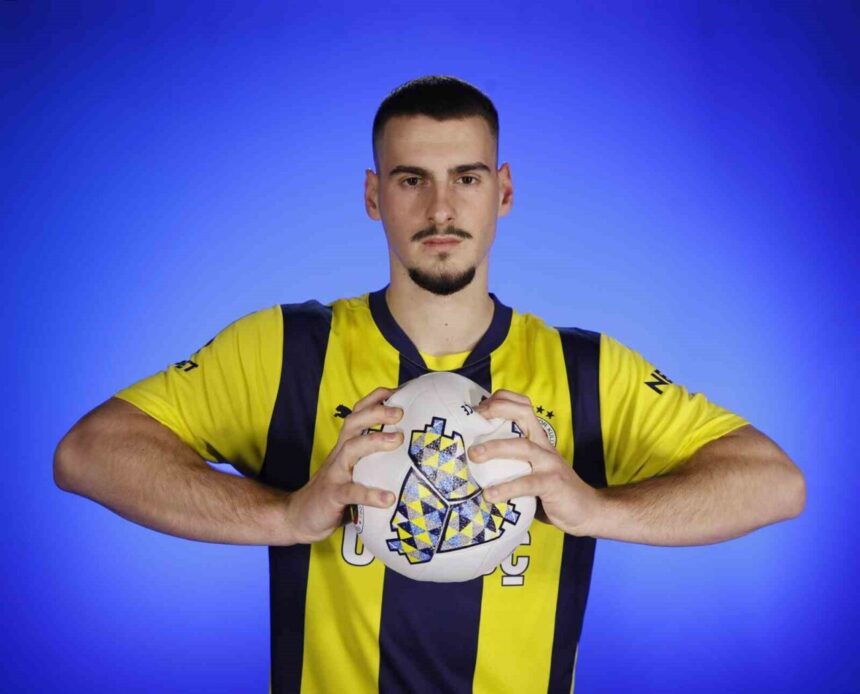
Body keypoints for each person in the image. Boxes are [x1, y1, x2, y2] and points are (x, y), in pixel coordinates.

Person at [53, 75, 806, 694]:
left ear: (502, 191)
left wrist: (596, 508)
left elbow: (774, 482)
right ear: (373, 195)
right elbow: (90, 452)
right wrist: (285, 515)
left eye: (466, 178)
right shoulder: (285, 350)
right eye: (411, 180)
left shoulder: (586, 370)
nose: (440, 209)